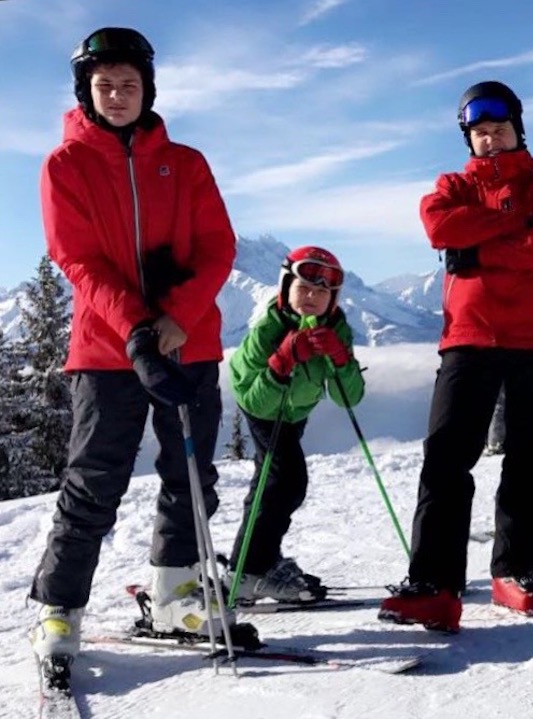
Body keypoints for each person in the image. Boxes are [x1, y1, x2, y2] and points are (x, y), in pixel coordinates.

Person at [28, 27, 237, 662]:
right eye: (105, 86)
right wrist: (138, 332)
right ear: (85, 92)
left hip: (188, 343)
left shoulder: (187, 162)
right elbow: (77, 258)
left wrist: (177, 319)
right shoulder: (65, 165)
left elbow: (218, 247)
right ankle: (59, 610)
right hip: (106, 350)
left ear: (147, 90)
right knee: (93, 481)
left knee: (190, 476)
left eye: (129, 84)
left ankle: (176, 594)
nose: (117, 95)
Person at [378, 81, 533, 628]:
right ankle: (434, 584)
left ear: (519, 130)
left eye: (499, 129)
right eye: (480, 132)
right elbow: (440, 226)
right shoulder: (454, 186)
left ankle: (515, 572)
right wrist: (519, 226)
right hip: (470, 336)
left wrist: (479, 250)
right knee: (446, 458)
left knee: (527, 460)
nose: (490, 139)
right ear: (468, 139)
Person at [225, 246, 365, 603]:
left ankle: (252, 565)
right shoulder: (267, 331)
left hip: (296, 411)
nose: (312, 297)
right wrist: (281, 362)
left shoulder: (337, 329)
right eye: (304, 288)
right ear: (286, 287)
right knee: (285, 481)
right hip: (263, 406)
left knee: (275, 485)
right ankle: (251, 571)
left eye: (321, 292)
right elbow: (255, 401)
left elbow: (348, 397)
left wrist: (340, 359)